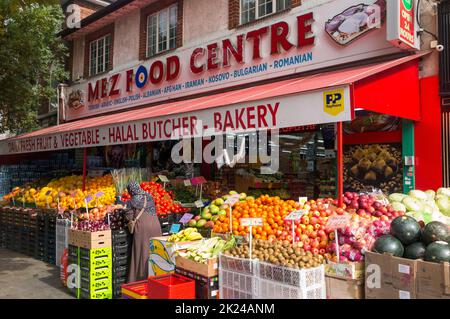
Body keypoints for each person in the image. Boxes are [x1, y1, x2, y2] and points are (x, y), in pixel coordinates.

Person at [125, 181, 162, 282]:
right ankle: (156, 277)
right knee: (155, 251)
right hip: (155, 225)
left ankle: (141, 279)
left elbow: (129, 216)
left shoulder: (132, 201)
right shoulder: (149, 196)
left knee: (142, 251)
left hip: (142, 228)